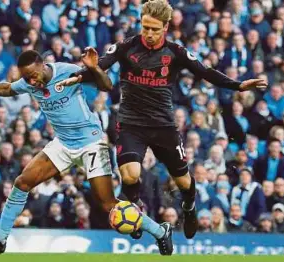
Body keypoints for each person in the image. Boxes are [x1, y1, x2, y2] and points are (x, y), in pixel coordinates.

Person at [57, 0, 267, 240]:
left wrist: (238, 86)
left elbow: (205, 72)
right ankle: (135, 217)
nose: (148, 33)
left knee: (185, 183)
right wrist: (74, 78)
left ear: (165, 27)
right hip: (131, 124)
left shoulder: (176, 53)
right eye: (145, 27)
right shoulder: (126, 47)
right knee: (130, 175)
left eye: (154, 29)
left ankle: (189, 209)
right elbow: (99, 65)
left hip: (163, 126)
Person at [0, 48, 173, 255]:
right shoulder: (30, 82)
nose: (31, 82)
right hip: (63, 143)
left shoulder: (68, 71)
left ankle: (160, 231)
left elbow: (106, 86)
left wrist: (95, 68)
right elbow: (6, 88)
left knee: (108, 203)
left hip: (91, 143)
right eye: (27, 78)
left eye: (33, 75)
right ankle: (0, 238)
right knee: (23, 182)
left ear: (43, 65)